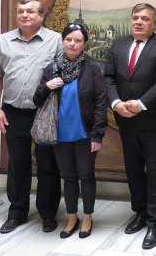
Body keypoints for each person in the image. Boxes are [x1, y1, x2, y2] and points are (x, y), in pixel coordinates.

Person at [0, 0, 63, 234]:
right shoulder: (3, 41)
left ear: (41, 15)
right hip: (14, 112)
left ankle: (48, 214)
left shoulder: (55, 40)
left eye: (30, 11)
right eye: (20, 12)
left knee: (47, 165)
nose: (24, 15)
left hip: (45, 113)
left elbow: (65, 76)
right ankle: (17, 212)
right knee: (17, 164)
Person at [104, 3, 156, 250]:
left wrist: (141, 104)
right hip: (125, 119)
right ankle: (140, 213)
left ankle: (155, 222)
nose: (138, 22)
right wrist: (116, 103)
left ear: (154, 23)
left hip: (153, 120)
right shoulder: (119, 45)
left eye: (144, 18)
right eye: (135, 17)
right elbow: (109, 78)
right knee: (133, 169)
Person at [33, 23, 108, 239]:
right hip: (60, 134)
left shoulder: (92, 69)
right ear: (62, 41)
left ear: (85, 44)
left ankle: (87, 218)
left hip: (85, 134)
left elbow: (100, 104)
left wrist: (97, 134)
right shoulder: (52, 68)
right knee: (68, 177)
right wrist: (48, 86)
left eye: (77, 40)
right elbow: (37, 100)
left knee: (86, 176)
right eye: (68, 39)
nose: (72, 44)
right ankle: (72, 217)